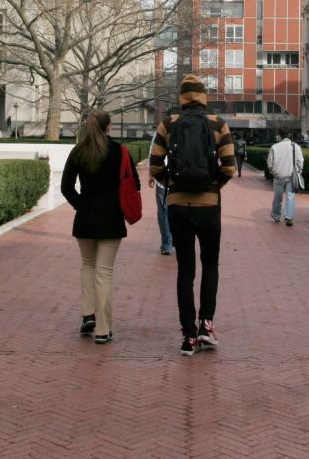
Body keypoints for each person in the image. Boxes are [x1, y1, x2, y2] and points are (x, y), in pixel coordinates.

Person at [149, 75, 235, 356]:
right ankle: (205, 326)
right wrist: (213, 185)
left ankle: (188, 336)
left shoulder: (168, 124)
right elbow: (229, 166)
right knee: (211, 264)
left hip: (177, 206)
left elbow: (155, 165)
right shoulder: (218, 124)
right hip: (209, 207)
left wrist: (172, 184)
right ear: (204, 96)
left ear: (182, 98)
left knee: (185, 271)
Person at [61, 111, 139, 344]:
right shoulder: (120, 151)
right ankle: (103, 330)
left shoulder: (78, 151)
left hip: (85, 217)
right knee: (104, 273)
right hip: (111, 218)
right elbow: (133, 182)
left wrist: (81, 204)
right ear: (109, 127)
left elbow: (66, 187)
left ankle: (88, 316)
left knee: (88, 267)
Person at [266, 130, 304, 227]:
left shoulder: (274, 147)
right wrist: (298, 172)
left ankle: (276, 216)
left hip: (278, 175)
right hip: (291, 175)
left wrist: (272, 171)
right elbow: (300, 161)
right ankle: (289, 217)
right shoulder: (296, 147)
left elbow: (270, 162)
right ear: (289, 135)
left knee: (277, 197)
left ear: (280, 136)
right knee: (290, 196)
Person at [148, 132, 173, 256]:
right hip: (182, 180)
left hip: (163, 179)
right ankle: (178, 240)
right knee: (181, 210)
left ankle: (167, 244)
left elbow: (153, 155)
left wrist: (151, 175)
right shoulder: (188, 129)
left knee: (164, 211)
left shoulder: (160, 133)